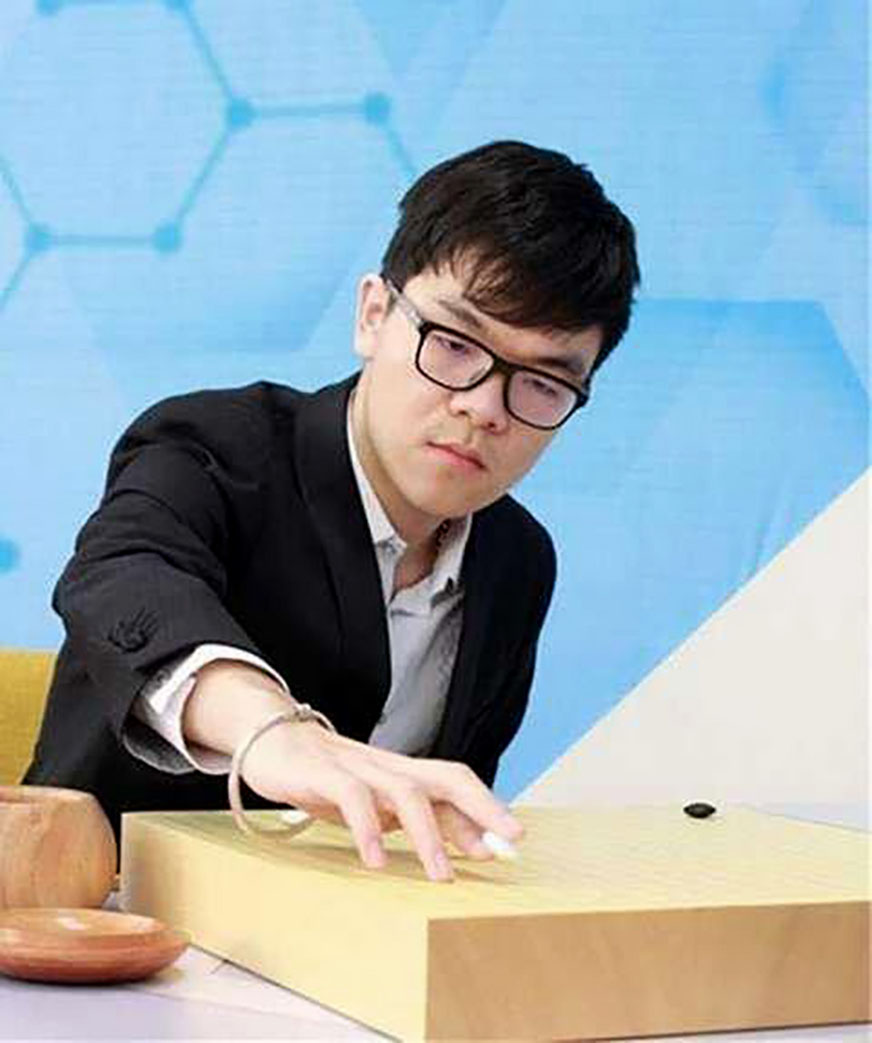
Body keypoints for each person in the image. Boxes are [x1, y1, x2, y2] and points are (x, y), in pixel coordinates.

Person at [24, 141, 639, 882]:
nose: (483, 407)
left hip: (345, 936)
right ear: (374, 315)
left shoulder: (518, 561)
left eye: (542, 383)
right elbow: (122, 577)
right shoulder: (214, 445)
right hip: (104, 909)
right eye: (453, 344)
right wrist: (275, 733)